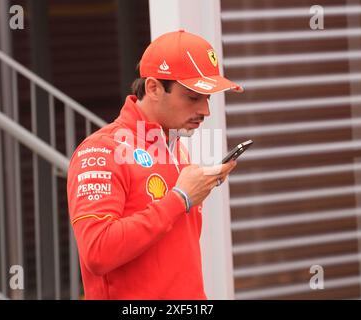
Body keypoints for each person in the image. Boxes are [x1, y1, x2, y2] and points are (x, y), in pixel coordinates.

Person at [67, 29, 243, 300]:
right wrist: (179, 198)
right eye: (194, 97)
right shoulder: (101, 150)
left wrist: (198, 189)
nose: (205, 111)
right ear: (153, 88)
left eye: (208, 98)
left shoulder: (174, 146)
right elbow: (97, 252)